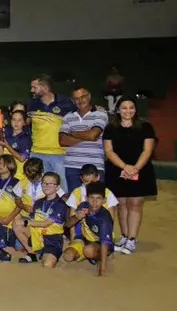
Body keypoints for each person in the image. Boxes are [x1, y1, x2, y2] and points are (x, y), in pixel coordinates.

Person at [103, 97, 157, 255]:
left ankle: (132, 239)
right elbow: (109, 151)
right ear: (118, 110)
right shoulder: (110, 128)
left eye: (131, 108)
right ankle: (125, 236)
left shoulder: (146, 126)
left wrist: (135, 168)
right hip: (117, 170)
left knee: (135, 204)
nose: (128, 111)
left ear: (136, 109)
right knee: (121, 204)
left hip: (141, 170)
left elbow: (147, 150)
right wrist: (124, 166)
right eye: (124, 108)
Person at [59, 87, 108, 193]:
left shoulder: (101, 114)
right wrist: (87, 134)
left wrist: (73, 134)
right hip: (72, 166)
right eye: (76, 98)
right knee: (75, 203)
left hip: (95, 166)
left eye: (83, 97)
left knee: (96, 201)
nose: (80, 101)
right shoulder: (68, 117)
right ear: (73, 101)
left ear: (89, 96)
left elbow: (93, 135)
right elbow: (62, 141)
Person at [28, 74, 76, 178]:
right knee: (39, 190)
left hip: (59, 154)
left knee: (61, 190)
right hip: (37, 153)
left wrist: (95, 108)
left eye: (34, 87)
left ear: (45, 88)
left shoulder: (66, 102)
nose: (32, 90)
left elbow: (79, 118)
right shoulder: (32, 104)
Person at [62, 181, 114, 276]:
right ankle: (88, 256)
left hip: (100, 244)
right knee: (67, 256)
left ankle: (100, 258)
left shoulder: (105, 218)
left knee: (88, 250)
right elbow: (68, 225)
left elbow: (104, 243)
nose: (94, 202)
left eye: (98, 198)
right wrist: (76, 217)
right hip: (84, 239)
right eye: (91, 198)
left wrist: (102, 271)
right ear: (86, 198)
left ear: (104, 200)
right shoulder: (83, 206)